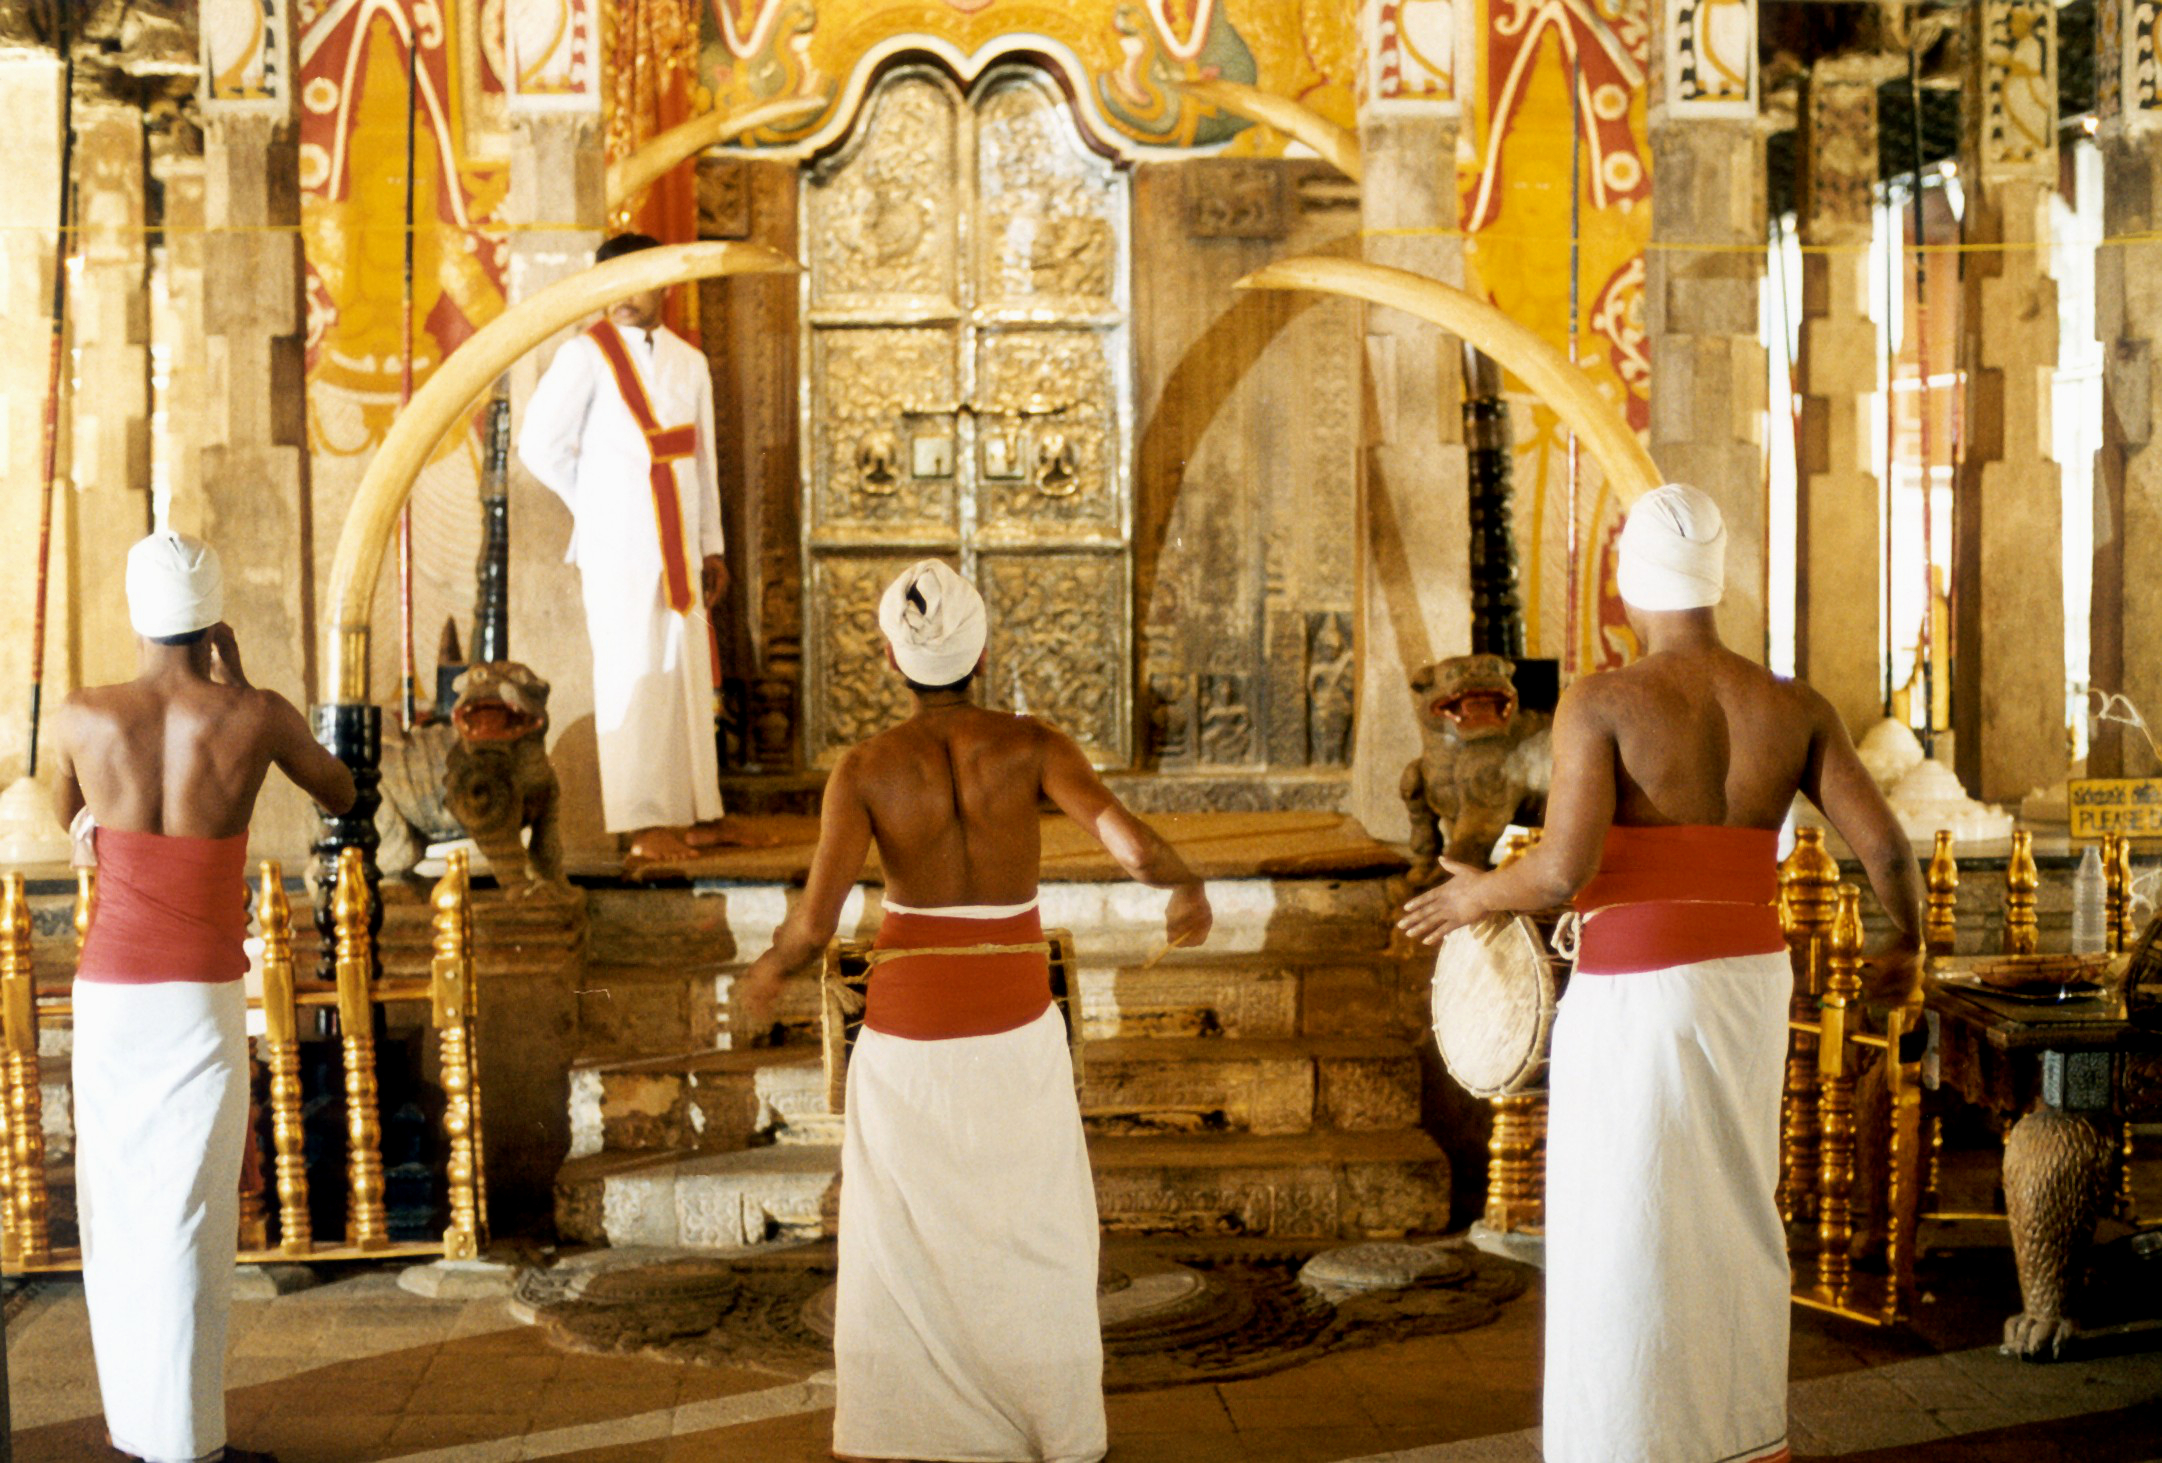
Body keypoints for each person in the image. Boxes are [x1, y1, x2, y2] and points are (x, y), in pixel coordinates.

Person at [1398, 485, 1923, 1463]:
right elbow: (1886, 848)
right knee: (1730, 1201)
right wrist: (1907, 944)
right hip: (1746, 982)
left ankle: (1627, 1441)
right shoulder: (1790, 702)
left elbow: (1560, 869)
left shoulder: (1603, 699)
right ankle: (1737, 1436)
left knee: (1623, 1216)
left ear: (1627, 581)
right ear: (1713, 581)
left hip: (1637, 988)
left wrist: (1474, 894)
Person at [737, 560, 1213, 1463]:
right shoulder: (1035, 744)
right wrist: (1187, 888)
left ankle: (918, 1433)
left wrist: (769, 970)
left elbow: (813, 924)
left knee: (905, 1240)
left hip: (908, 1031)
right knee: (1034, 1229)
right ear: (984, 651)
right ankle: (1051, 1429)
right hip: (1013, 1023)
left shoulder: (867, 767)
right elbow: (1134, 849)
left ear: (889, 656)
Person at [53, 531, 358, 1463]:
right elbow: (342, 790)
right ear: (212, 614)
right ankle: (189, 1448)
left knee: (122, 1215)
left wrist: (86, 830)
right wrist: (245, 678)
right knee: (191, 1217)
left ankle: (150, 1435)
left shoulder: (83, 712)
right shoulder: (254, 715)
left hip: (109, 993)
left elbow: (61, 807)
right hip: (198, 999)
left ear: (138, 614)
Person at [517, 231, 735, 865]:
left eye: (638, 282)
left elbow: (705, 460)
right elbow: (539, 447)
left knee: (685, 671)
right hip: (620, 546)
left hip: (680, 539)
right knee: (632, 674)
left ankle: (694, 812)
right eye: (611, 284)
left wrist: (710, 545)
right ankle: (642, 823)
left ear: (664, 283)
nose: (625, 298)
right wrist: (599, 505)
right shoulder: (586, 356)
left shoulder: (688, 362)